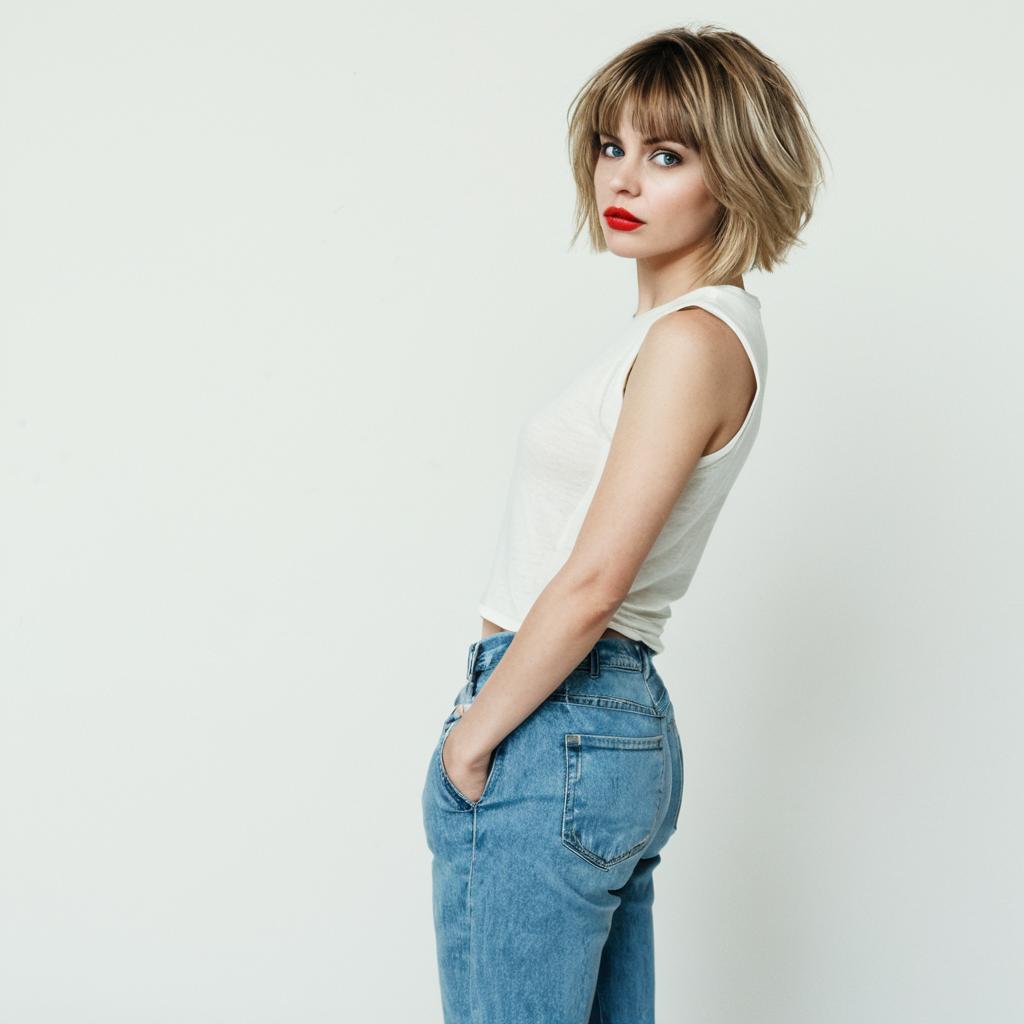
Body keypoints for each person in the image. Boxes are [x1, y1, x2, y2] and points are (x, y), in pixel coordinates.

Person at [421, 23, 826, 1024]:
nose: (625, 178)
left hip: (554, 712)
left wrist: (472, 739)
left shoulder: (692, 340)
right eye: (612, 145)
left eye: (667, 154)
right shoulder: (684, 336)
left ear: (733, 173)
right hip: (595, 722)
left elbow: (595, 578)